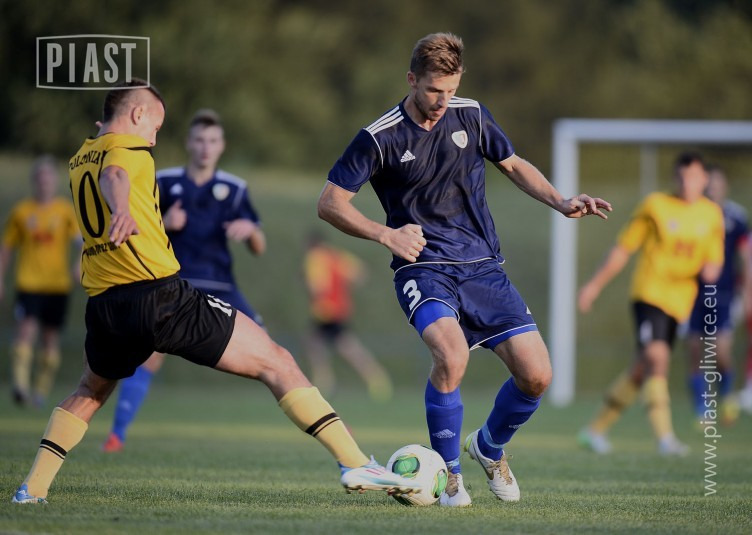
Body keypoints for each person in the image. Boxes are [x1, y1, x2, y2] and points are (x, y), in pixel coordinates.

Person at [11, 79, 419, 505]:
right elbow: (115, 175)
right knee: (277, 362)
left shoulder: (80, 157)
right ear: (137, 114)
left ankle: (32, 489)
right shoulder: (129, 150)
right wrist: (121, 210)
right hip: (159, 298)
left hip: (105, 306)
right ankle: (355, 462)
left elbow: (104, 167)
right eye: (155, 126)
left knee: (89, 392)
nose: (154, 138)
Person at [317, 32, 611, 507]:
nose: (442, 101)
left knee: (538, 375)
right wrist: (385, 234)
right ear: (411, 80)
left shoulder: (471, 114)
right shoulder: (379, 136)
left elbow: (513, 164)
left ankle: (489, 447)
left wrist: (561, 201)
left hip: (483, 268)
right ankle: (449, 474)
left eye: (451, 90)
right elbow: (330, 203)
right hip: (424, 268)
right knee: (452, 356)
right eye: (434, 90)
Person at [101, 109, 267, 453]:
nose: (206, 147)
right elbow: (131, 226)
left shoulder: (234, 189)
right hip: (173, 285)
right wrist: (165, 221)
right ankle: (117, 435)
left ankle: (326, 419)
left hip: (222, 285)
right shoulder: (163, 181)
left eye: (212, 141)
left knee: (271, 354)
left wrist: (250, 230)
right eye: (200, 140)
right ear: (189, 143)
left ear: (221, 146)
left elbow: (259, 248)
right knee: (147, 357)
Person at [578, 152, 724, 456]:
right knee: (657, 359)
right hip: (650, 295)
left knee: (640, 370)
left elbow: (714, 261)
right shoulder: (655, 206)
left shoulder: (711, 215)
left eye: (693, 177)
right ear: (675, 177)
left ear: (704, 180)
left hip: (680, 304)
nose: (687, 183)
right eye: (681, 177)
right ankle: (665, 439)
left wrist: (712, 270)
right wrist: (594, 286)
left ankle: (594, 431)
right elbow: (623, 248)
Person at [1, 156, 81, 408]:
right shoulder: (22, 212)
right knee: (25, 332)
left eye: (48, 178)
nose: (44, 183)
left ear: (55, 181)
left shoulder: (65, 211)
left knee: (50, 339)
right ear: (34, 181)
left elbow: (82, 242)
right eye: (40, 178)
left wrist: (79, 265)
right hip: (29, 283)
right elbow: (6, 248)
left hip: (57, 285)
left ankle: (40, 391)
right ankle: (20, 386)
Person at [686, 165, 750, 426]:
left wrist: (747, 292)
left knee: (721, 352)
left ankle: (726, 398)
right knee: (695, 351)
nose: (712, 189)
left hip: (723, 293)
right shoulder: (691, 213)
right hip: (691, 293)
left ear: (725, 187)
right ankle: (702, 410)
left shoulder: (736, 217)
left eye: (717, 184)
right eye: (708, 184)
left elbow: (745, 257)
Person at [303, 232, 393, 401]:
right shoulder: (336, 256)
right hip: (340, 309)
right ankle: (328, 382)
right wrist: (344, 289)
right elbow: (360, 274)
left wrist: (310, 287)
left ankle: (373, 378)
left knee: (344, 348)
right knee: (316, 345)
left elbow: (316, 286)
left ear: (310, 244)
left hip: (325, 310)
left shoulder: (315, 257)